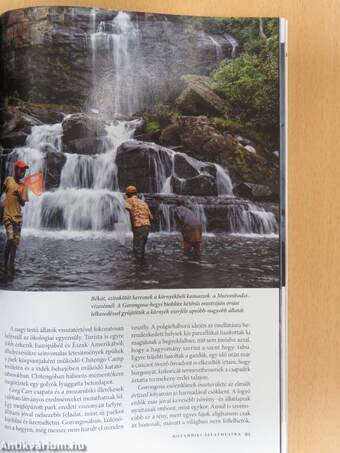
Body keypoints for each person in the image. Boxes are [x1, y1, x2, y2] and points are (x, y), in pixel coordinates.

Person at [3, 160, 29, 271]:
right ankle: (5, 263)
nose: (23, 173)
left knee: (15, 244)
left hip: (18, 218)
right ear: (15, 169)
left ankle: (11, 266)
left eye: (24, 171)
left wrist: (19, 196)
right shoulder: (8, 179)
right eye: (21, 170)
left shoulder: (23, 186)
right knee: (10, 239)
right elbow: (4, 191)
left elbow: (23, 203)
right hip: (8, 215)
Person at [125, 185, 153, 261]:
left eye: (126, 194)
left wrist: (132, 225)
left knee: (136, 248)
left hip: (138, 226)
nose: (126, 195)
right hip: (147, 226)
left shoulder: (129, 200)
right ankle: (143, 266)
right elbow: (151, 217)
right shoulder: (143, 202)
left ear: (129, 194)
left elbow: (131, 212)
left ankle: (138, 268)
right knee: (142, 247)